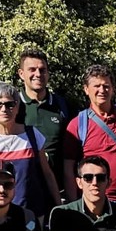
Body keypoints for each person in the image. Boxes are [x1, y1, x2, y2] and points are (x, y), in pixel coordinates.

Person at [0, 82, 61, 218]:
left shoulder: (33, 135)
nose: (4, 109)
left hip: (31, 214)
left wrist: (58, 208)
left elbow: (47, 174)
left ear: (17, 107)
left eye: (9, 104)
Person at [62, 65, 116, 204]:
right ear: (86, 89)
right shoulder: (77, 125)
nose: (102, 90)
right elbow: (68, 169)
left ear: (113, 89)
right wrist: (74, 204)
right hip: (92, 203)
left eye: (106, 86)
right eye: (96, 86)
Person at [16, 48, 70, 182]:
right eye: (32, 70)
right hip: (22, 185)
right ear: (21, 74)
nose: (38, 74)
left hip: (57, 185)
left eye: (42, 70)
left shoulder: (63, 105)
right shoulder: (12, 106)